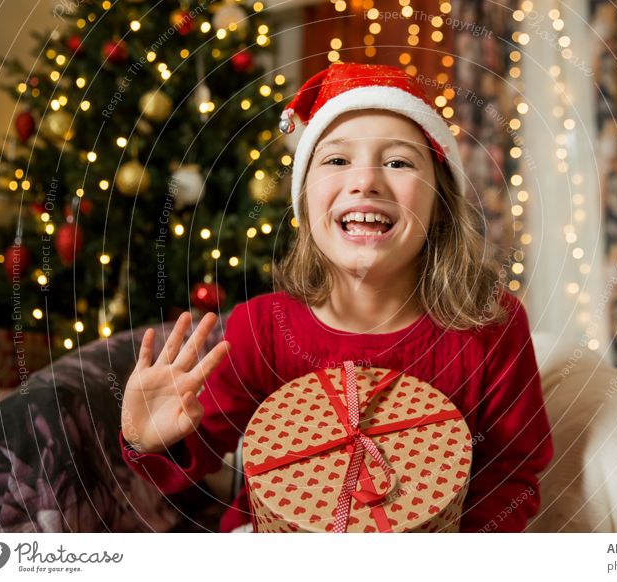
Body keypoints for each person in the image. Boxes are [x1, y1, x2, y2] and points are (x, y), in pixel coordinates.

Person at [120, 62, 553, 533]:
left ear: (441, 202)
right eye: (336, 160)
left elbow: (512, 474)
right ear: (305, 201)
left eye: (398, 162)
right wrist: (153, 440)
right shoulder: (260, 329)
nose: (365, 181)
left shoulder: (493, 327)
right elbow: (194, 454)